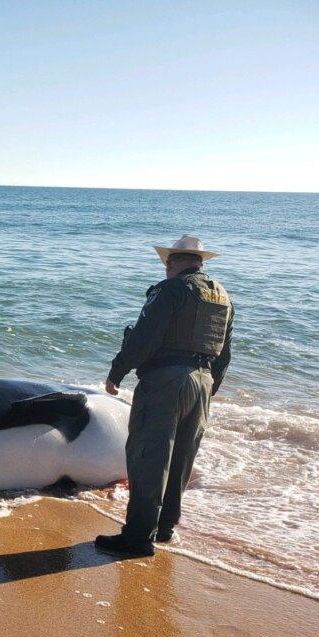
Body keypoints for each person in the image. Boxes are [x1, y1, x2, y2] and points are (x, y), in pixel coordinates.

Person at [95, 235, 234, 558]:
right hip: (202, 381)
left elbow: (145, 337)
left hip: (165, 380)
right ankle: (166, 528)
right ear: (200, 263)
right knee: (181, 458)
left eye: (167, 263)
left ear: (171, 262)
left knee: (149, 456)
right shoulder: (223, 297)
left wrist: (117, 372)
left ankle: (138, 537)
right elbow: (224, 352)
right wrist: (210, 388)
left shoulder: (170, 289)